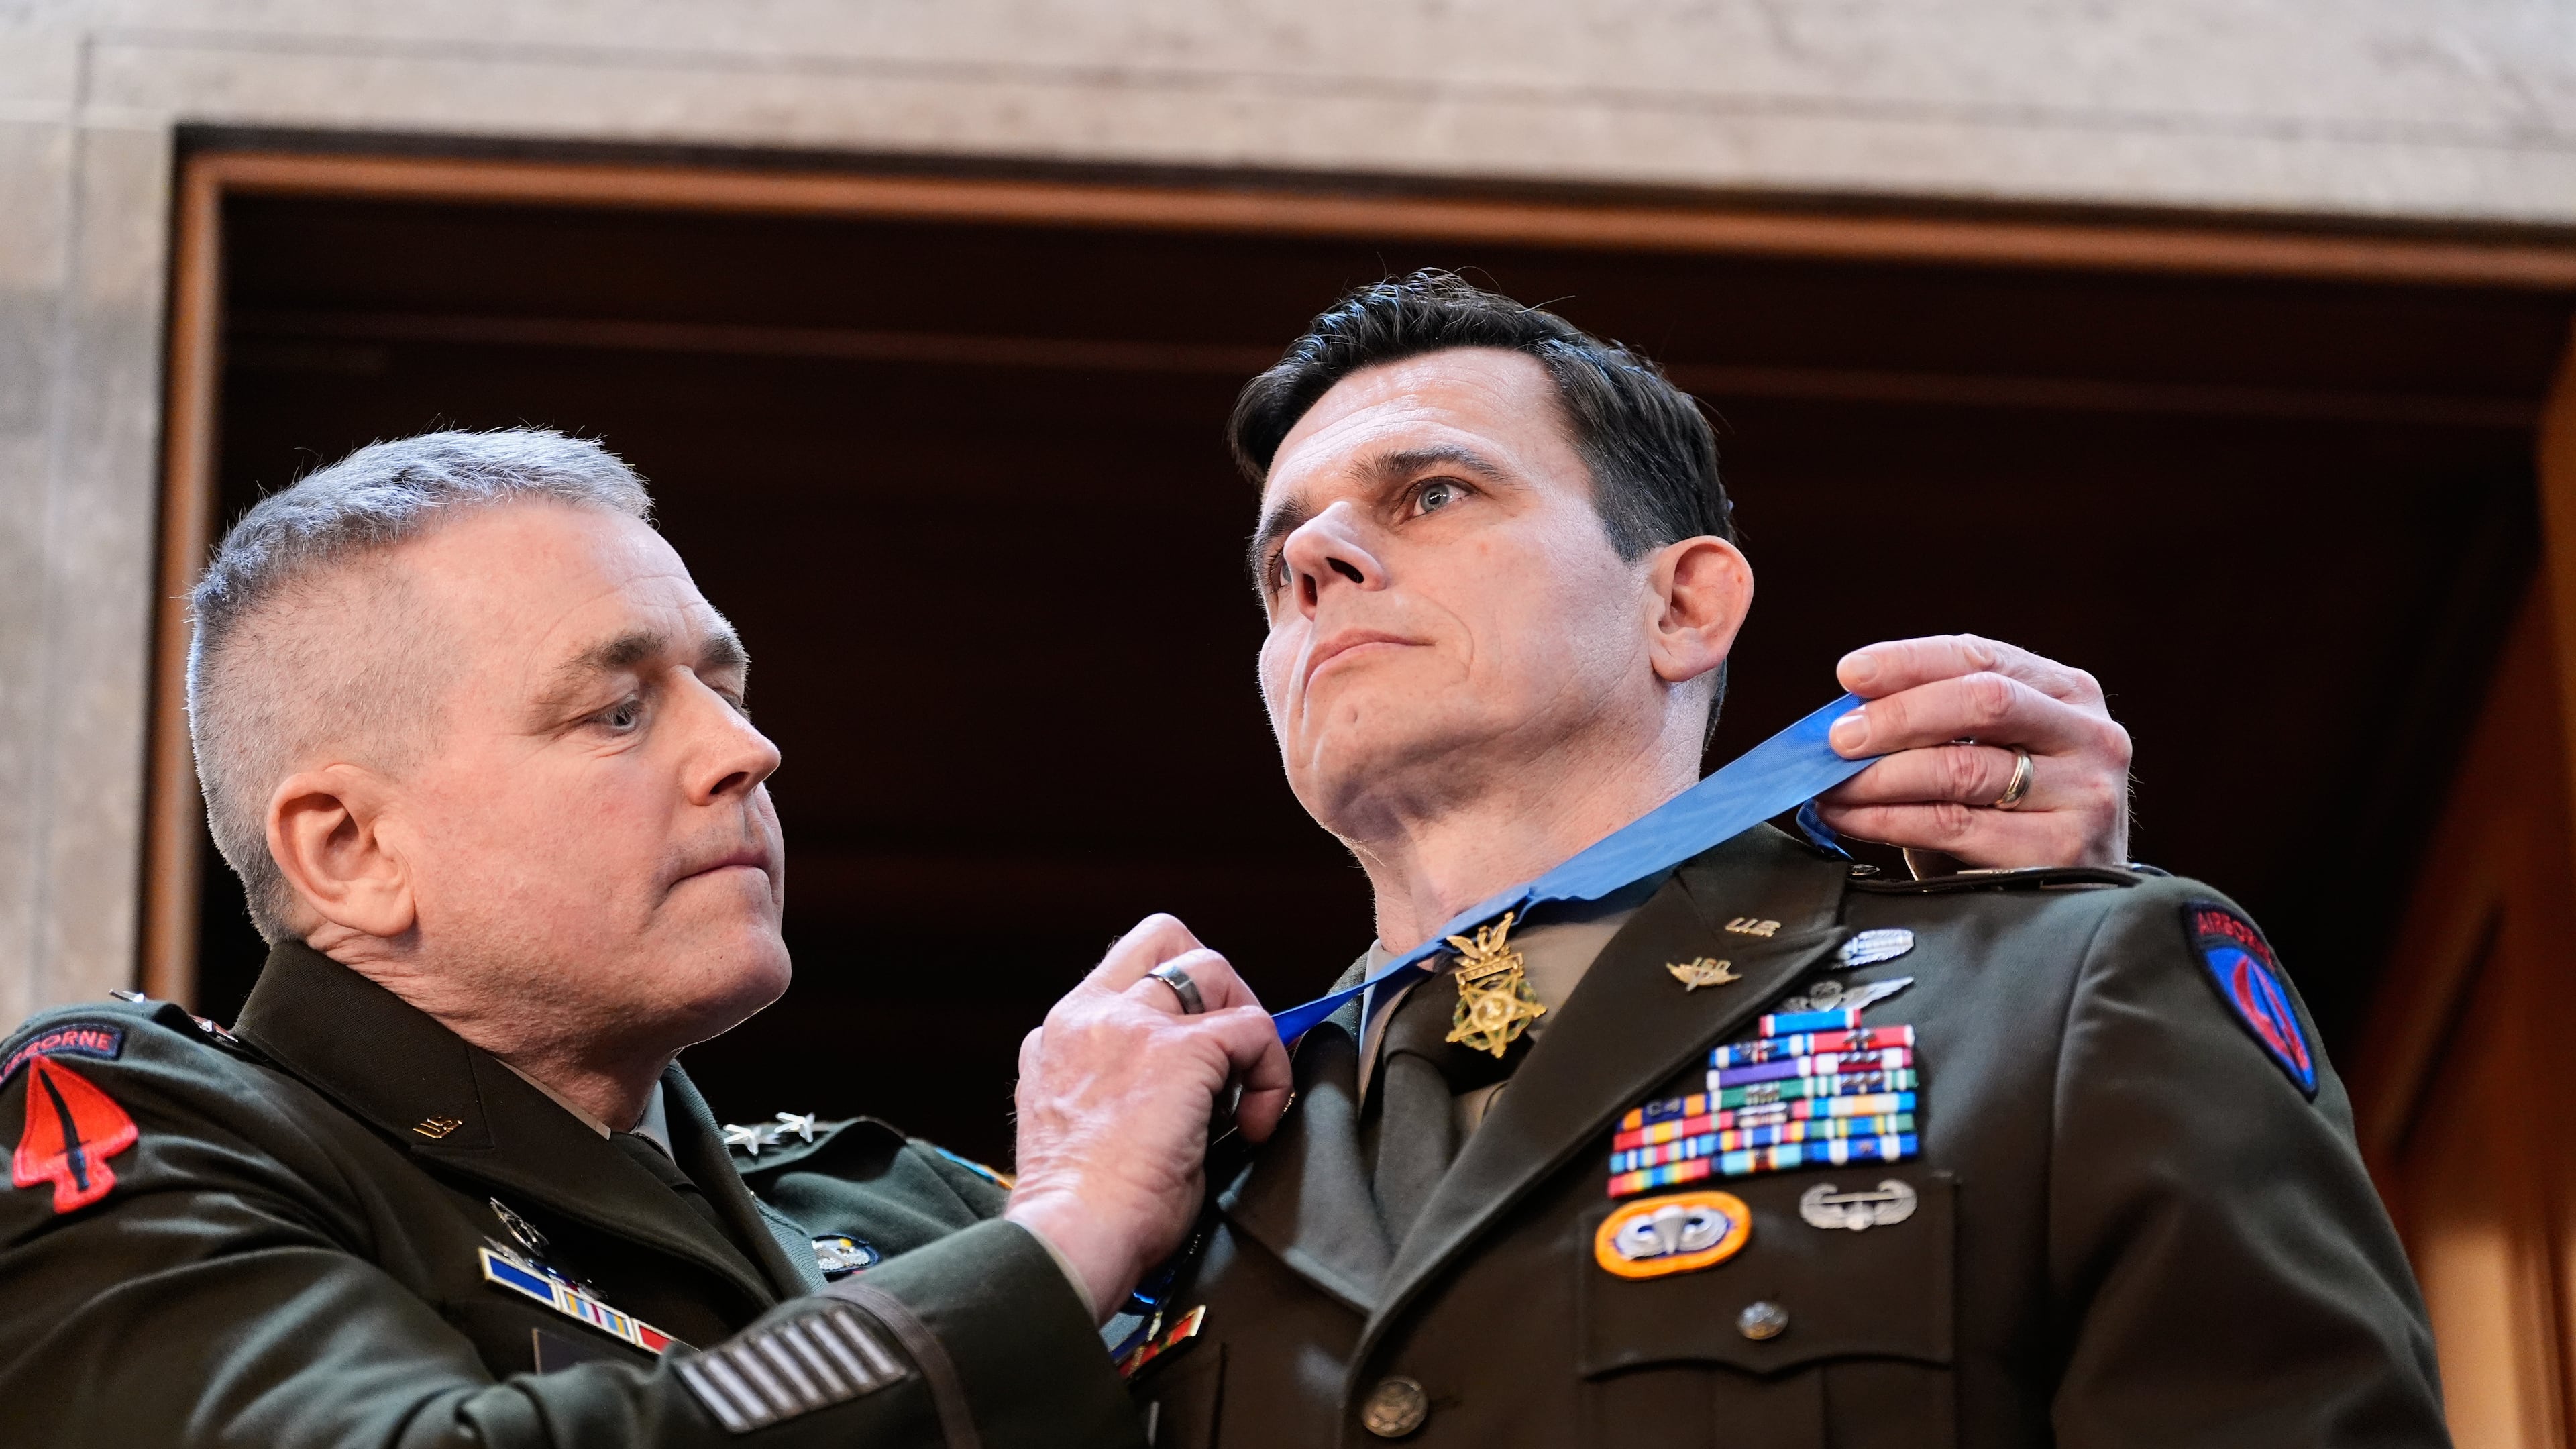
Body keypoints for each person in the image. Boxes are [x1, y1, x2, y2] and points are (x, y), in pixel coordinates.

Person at [1119, 274, 2447, 1447]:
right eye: (1278, 562)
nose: (1314, 559)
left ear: (1684, 602)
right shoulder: (1168, 1178)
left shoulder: (2057, 995)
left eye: (1432, 492)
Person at [0, 433, 1291, 1448]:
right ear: (350, 849)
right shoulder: (150, 1129)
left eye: (724, 693)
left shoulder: (891, 1203)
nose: (747, 751)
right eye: (615, 713)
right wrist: (1062, 1237)